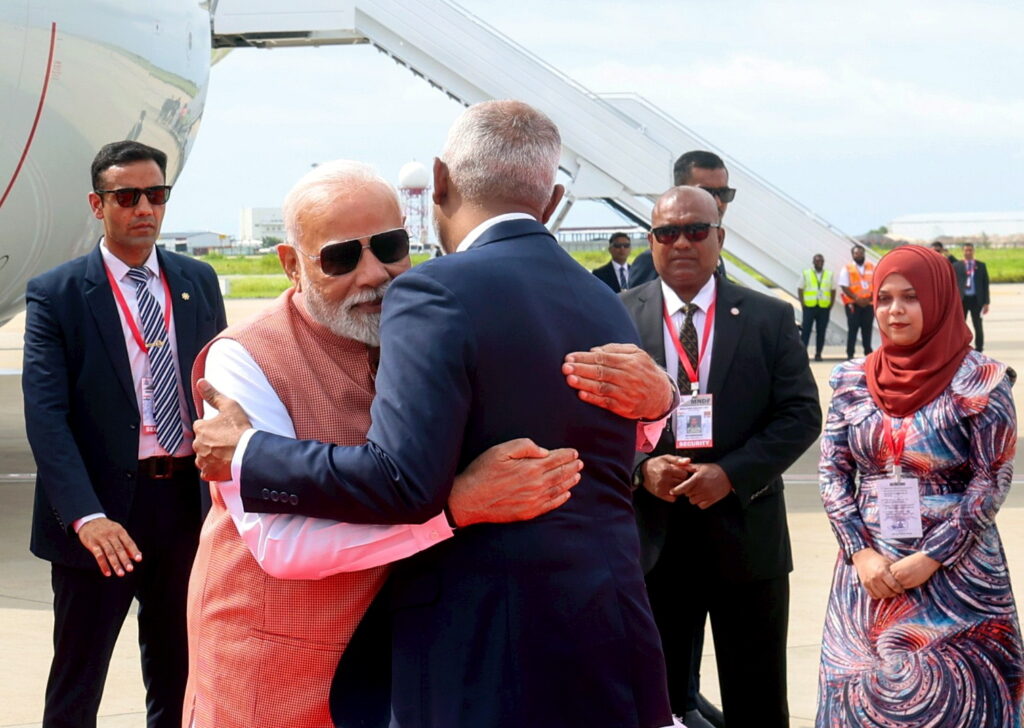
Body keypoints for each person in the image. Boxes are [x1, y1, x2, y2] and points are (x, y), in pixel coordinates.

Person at [193, 100, 676, 728]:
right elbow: (282, 545)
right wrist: (458, 506)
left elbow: (411, 477)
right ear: (291, 264)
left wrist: (252, 451)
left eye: (390, 246)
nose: (374, 274)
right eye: (340, 257)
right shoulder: (602, 299)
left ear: (437, 186)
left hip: (463, 658)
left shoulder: (433, 303)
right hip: (286, 662)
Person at [22, 141, 226, 728]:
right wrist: (86, 518)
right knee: (77, 685)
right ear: (97, 204)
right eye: (128, 196)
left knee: (180, 678)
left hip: (184, 509)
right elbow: (47, 418)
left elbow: (221, 382)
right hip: (102, 519)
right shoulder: (58, 294)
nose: (145, 208)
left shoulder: (197, 280)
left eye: (156, 195)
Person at [623, 186, 821, 727]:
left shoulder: (769, 317)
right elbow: (589, 424)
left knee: (756, 701)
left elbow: (801, 416)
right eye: (667, 232)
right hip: (653, 546)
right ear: (652, 240)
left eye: (695, 230)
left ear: (720, 237)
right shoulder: (614, 317)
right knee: (655, 704)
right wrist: (641, 469)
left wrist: (730, 475)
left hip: (746, 540)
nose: (681, 242)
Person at [816, 244, 1022, 726]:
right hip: (870, 575)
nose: (894, 310)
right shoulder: (851, 380)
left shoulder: (983, 381)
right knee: (865, 703)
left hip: (959, 577)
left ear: (939, 298)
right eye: (884, 298)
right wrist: (860, 553)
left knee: (964, 703)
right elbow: (833, 473)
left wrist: (932, 557)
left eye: (910, 297)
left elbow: (990, 480)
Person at [630, 150, 732, 289]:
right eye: (706, 192)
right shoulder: (653, 262)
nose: (718, 202)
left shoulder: (712, 254)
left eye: (724, 193)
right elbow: (640, 306)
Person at [839, 244, 875, 359]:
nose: (858, 255)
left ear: (864, 254)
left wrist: (868, 299)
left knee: (867, 329)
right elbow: (844, 286)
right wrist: (857, 299)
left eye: (860, 253)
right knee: (853, 329)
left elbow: (876, 284)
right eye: (856, 253)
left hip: (869, 304)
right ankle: (850, 354)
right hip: (853, 304)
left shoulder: (871, 267)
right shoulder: (847, 268)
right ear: (852, 255)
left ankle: (868, 353)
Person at [953, 242, 991, 353]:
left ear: (973, 251)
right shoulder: (957, 266)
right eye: (966, 250)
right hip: (962, 300)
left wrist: (986, 302)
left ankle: (979, 348)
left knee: (977, 324)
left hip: (976, 300)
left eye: (970, 250)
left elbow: (985, 284)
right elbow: (954, 284)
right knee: (960, 325)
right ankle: (959, 347)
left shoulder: (980, 265)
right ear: (962, 251)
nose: (968, 252)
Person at [798, 253, 835, 361]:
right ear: (813, 262)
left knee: (821, 331)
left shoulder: (829, 274)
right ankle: (802, 353)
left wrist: (830, 304)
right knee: (806, 331)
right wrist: (803, 304)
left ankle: (818, 353)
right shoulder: (806, 273)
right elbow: (800, 289)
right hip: (809, 307)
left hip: (823, 307)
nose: (819, 263)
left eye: (821, 261)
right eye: (817, 261)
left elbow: (833, 290)